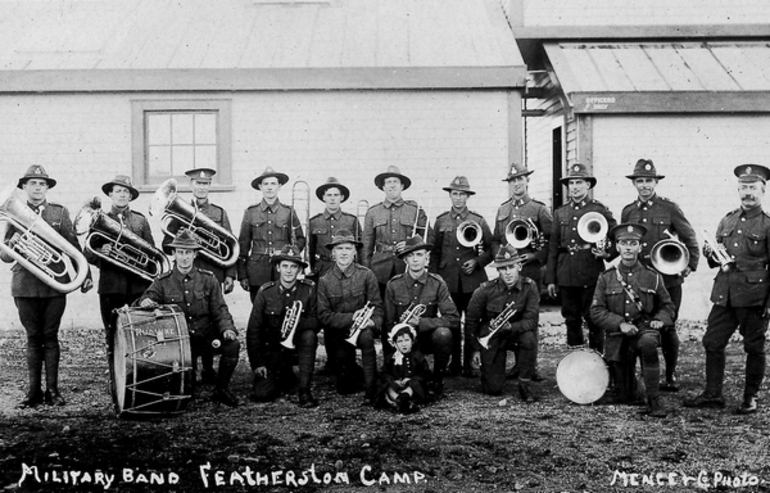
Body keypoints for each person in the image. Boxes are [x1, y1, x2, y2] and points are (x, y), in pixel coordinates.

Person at [2, 165, 93, 408]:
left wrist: (84, 275)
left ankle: (53, 391)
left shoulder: (59, 213)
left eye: (42, 184)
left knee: (50, 337)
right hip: (25, 286)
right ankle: (33, 392)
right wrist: (11, 242)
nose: (38, 188)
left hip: (55, 287)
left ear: (47, 188)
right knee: (33, 338)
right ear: (24, 187)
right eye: (33, 183)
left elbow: (72, 245)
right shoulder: (10, 214)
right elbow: (5, 255)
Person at [684, 164, 770, 415]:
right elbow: (716, 261)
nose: (748, 193)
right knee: (712, 342)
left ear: (763, 191)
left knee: (754, 347)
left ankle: (750, 397)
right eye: (743, 188)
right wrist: (711, 254)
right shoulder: (727, 219)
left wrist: (768, 304)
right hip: (724, 295)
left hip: (754, 297)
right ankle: (713, 394)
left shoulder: (767, 225)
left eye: (753, 188)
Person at [136, 230, 241, 407]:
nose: (184, 257)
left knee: (233, 345)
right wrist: (146, 301)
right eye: (180, 252)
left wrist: (227, 329)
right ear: (174, 254)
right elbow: (147, 298)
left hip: (206, 333)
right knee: (187, 392)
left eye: (188, 253)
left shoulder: (208, 279)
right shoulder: (163, 281)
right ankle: (188, 383)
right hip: (181, 341)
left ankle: (221, 389)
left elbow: (220, 309)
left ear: (195, 254)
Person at [621, 159, 699, 392]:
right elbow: (625, 241)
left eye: (649, 181)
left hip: (667, 279)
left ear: (656, 182)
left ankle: (671, 374)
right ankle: (646, 374)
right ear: (634, 183)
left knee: (667, 326)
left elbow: (690, 238)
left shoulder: (669, 208)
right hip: (640, 279)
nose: (645, 185)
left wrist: (689, 265)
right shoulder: (629, 211)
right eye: (640, 181)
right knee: (642, 325)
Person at [590, 223, 675, 417]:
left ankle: (654, 399)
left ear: (640, 247)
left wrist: (660, 320)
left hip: (644, 330)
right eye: (623, 243)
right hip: (618, 334)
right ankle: (628, 388)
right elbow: (596, 311)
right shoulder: (606, 278)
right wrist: (619, 323)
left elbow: (668, 306)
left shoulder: (652, 277)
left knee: (648, 343)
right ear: (617, 247)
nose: (628, 247)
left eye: (633, 243)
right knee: (626, 395)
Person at [161, 167, 237, 384]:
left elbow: (231, 245)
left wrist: (230, 274)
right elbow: (167, 245)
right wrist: (185, 240)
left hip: (212, 273)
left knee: (210, 318)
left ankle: (209, 368)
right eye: (197, 184)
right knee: (190, 318)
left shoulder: (219, 213)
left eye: (205, 184)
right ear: (191, 186)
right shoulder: (179, 211)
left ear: (209, 186)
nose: (201, 187)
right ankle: (191, 368)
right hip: (186, 271)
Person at [84, 175, 154, 385]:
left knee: (140, 330)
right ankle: (116, 377)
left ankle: (140, 374)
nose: (122, 194)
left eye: (126, 191)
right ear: (110, 194)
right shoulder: (99, 219)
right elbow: (87, 252)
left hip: (137, 286)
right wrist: (100, 252)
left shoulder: (140, 220)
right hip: (111, 286)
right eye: (118, 191)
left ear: (131, 196)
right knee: (112, 332)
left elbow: (152, 253)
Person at [546, 163, 618, 352]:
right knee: (571, 318)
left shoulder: (598, 209)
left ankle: (597, 359)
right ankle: (576, 360)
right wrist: (551, 279)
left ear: (588, 185)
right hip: (566, 273)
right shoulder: (560, 212)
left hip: (590, 271)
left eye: (579, 182)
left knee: (594, 317)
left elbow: (617, 236)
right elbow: (553, 247)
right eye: (572, 183)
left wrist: (607, 253)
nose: (575, 187)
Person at [492, 163, 552, 381]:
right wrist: (500, 258)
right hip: (510, 270)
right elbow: (496, 239)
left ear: (527, 181)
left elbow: (551, 240)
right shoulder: (503, 209)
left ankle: (529, 366)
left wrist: (535, 256)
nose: (516, 184)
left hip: (530, 269)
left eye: (520, 179)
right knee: (512, 313)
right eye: (512, 181)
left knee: (529, 317)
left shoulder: (538, 209)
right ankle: (517, 365)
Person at [430, 176, 493, 377]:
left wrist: (477, 262)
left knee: (473, 321)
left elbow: (491, 249)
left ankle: (469, 364)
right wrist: (435, 278)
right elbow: (435, 252)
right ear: (450, 195)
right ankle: (454, 364)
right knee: (452, 322)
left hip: (472, 281)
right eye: (455, 194)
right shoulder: (441, 221)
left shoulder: (478, 220)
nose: (458, 198)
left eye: (462, 194)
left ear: (468, 196)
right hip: (448, 280)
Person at [384, 235, 459, 396]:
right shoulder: (394, 285)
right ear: (405, 260)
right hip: (402, 341)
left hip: (425, 339)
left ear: (427, 258)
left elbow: (453, 319)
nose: (415, 260)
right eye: (410, 256)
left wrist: (421, 322)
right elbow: (388, 322)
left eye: (419, 255)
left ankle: (437, 380)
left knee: (443, 334)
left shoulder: (437, 283)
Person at [247, 245, 319, 408]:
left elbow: (316, 320)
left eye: (293, 266)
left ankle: (304, 390)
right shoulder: (265, 292)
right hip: (272, 350)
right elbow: (254, 330)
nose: (289, 271)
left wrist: (294, 324)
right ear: (278, 267)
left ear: (299, 269)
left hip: (296, 348)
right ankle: (283, 375)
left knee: (309, 336)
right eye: (285, 266)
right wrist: (257, 363)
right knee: (263, 394)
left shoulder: (308, 290)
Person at [317, 230, 383, 404]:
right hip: (337, 333)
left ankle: (371, 388)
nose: (344, 252)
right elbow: (324, 315)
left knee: (367, 337)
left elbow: (378, 307)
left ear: (355, 252)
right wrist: (352, 317)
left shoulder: (366, 275)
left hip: (362, 330)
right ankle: (354, 371)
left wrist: (372, 322)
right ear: (333, 253)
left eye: (348, 248)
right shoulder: (324, 280)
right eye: (339, 248)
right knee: (345, 387)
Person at [466, 245, 539, 401]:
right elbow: (471, 320)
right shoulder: (484, 290)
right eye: (503, 268)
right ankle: (491, 372)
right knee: (493, 389)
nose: (507, 273)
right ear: (497, 271)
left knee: (529, 338)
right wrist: (475, 349)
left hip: (516, 334)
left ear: (519, 266)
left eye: (511, 267)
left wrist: (511, 327)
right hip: (493, 338)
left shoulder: (530, 287)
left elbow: (531, 321)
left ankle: (524, 384)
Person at [308, 177, 363, 377]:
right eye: (328, 195)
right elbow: (310, 250)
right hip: (323, 273)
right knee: (328, 316)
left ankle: (349, 362)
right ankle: (332, 361)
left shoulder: (351, 221)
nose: (332, 199)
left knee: (347, 312)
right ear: (323, 197)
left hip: (348, 272)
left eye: (336, 195)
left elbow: (359, 250)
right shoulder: (315, 221)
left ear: (342, 198)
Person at [238, 167, 306, 302]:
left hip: (282, 270)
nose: (269, 188)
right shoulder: (251, 212)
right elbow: (243, 244)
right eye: (266, 184)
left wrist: (288, 253)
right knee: (259, 309)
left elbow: (300, 239)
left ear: (279, 186)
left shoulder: (288, 212)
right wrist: (242, 275)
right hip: (257, 271)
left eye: (273, 184)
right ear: (260, 187)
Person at [375, 323, 432, 414]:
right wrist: (393, 380)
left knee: (414, 385)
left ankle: (404, 398)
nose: (404, 344)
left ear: (412, 341)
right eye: (400, 341)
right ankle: (397, 399)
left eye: (407, 340)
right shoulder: (391, 358)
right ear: (395, 344)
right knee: (385, 385)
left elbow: (425, 373)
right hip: (396, 386)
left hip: (411, 386)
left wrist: (410, 379)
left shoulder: (417, 356)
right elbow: (384, 372)